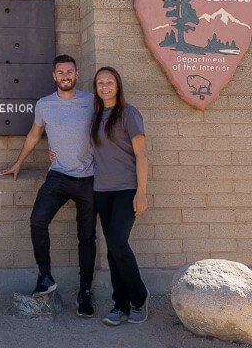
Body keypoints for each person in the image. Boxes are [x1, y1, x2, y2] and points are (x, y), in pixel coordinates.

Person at [1, 54, 97, 318]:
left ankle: (85, 292)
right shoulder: (44, 105)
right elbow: (34, 135)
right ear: (54, 76)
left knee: (87, 237)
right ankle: (45, 276)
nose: (65, 76)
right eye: (60, 72)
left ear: (76, 74)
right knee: (37, 221)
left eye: (70, 72)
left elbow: (107, 131)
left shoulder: (91, 101)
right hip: (58, 177)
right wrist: (19, 162)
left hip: (89, 179)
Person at [90, 66, 150, 326]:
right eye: (100, 83)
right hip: (102, 190)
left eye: (109, 82)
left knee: (117, 243)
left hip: (126, 188)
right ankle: (120, 305)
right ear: (96, 88)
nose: (105, 86)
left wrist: (142, 192)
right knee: (113, 251)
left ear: (117, 85)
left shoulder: (128, 113)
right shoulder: (95, 116)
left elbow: (141, 155)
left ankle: (139, 298)